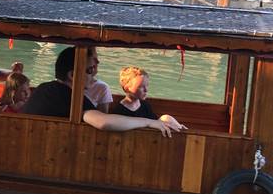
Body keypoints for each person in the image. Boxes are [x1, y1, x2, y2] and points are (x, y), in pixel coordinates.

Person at [22, 47, 184, 136]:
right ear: (72, 75)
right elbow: (103, 122)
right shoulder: (69, 96)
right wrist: (149, 122)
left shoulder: (43, 88)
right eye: (90, 69)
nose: (95, 74)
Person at [113, 66, 184, 130]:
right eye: (141, 87)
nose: (146, 90)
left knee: (167, 118)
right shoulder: (120, 110)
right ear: (127, 88)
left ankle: (181, 129)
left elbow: (155, 122)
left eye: (147, 85)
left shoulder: (145, 105)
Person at [83, 46, 113, 112]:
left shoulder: (102, 88)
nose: (97, 62)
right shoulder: (63, 86)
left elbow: (103, 116)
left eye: (96, 60)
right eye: (94, 59)